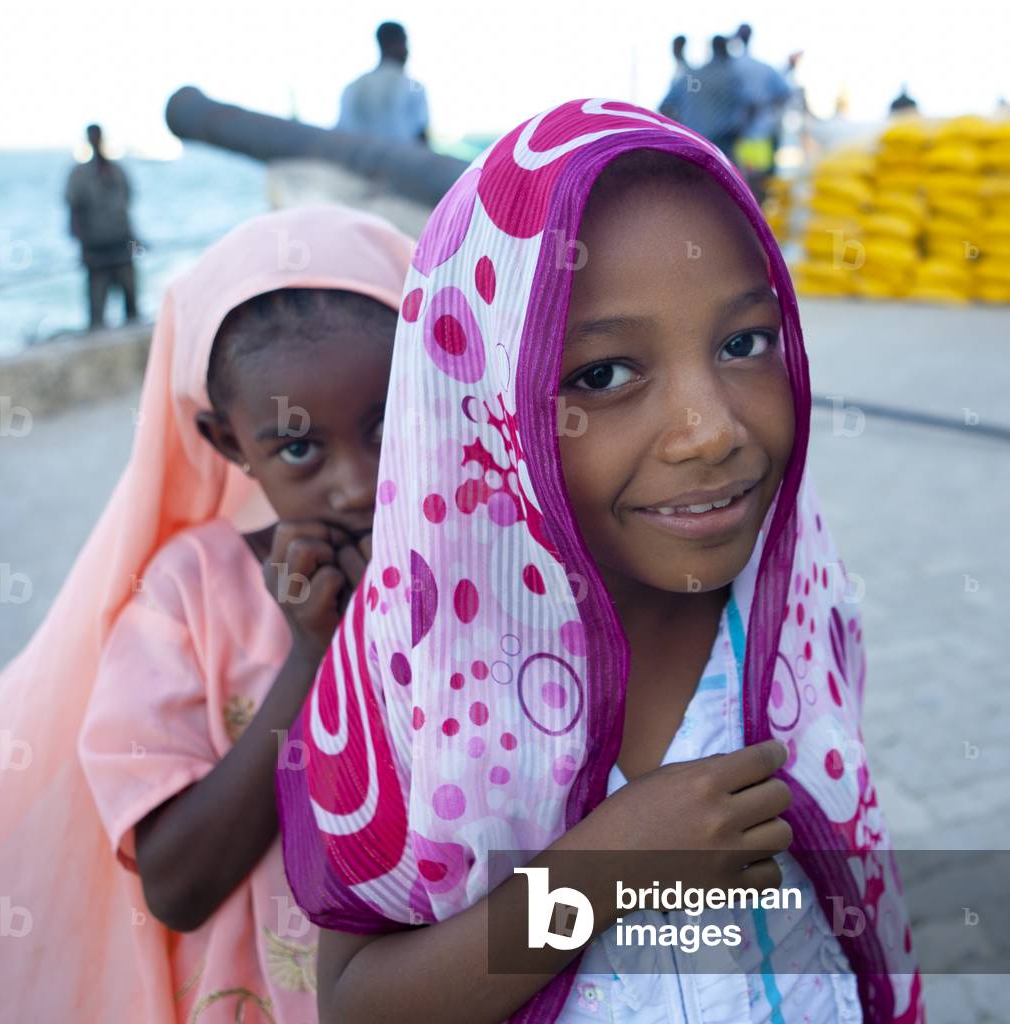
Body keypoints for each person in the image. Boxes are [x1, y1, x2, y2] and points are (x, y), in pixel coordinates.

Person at [275, 101, 925, 1023]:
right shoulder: (409, 671)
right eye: (603, 375)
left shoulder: (796, 608)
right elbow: (354, 1003)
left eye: (745, 344)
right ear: (485, 409)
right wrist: (599, 873)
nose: (711, 432)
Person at [0, 204, 413, 1023]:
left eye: (386, 421)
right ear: (227, 443)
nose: (357, 484)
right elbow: (178, 885)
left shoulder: (479, 560)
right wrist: (310, 660)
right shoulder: (185, 598)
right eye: (299, 447)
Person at [64, 123, 139, 329]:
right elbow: (73, 215)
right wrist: (83, 249)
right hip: (96, 250)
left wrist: (135, 243)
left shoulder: (117, 172)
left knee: (132, 304)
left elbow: (125, 210)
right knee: (97, 309)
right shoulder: (79, 175)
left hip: (122, 245)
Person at [660, 36, 752, 160]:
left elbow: (665, 107)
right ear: (726, 51)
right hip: (722, 147)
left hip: (692, 144)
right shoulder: (732, 78)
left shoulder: (691, 76)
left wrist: (679, 130)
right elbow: (748, 108)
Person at [337, 21, 429, 145]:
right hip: (399, 161)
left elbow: (342, 132)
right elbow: (421, 137)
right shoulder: (414, 87)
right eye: (404, 43)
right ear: (395, 44)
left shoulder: (353, 87)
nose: (407, 51)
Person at [732, 23, 791, 189]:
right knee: (759, 187)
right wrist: (767, 108)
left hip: (736, 136)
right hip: (761, 134)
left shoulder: (730, 67)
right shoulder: (764, 68)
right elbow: (784, 93)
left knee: (738, 184)